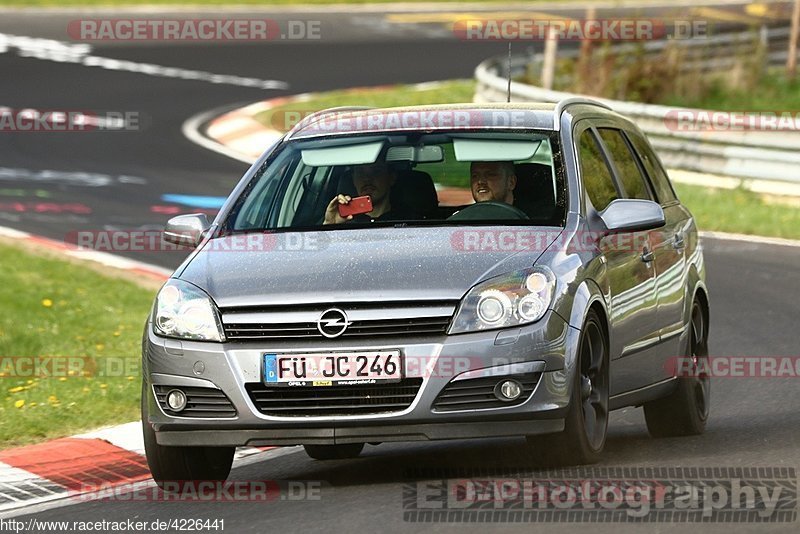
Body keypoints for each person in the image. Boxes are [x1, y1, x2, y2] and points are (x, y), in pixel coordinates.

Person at [323, 162, 411, 224]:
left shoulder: (410, 220)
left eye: (376, 171)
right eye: (360, 172)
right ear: (353, 180)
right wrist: (329, 225)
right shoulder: (345, 219)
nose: (367, 178)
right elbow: (319, 248)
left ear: (391, 178)